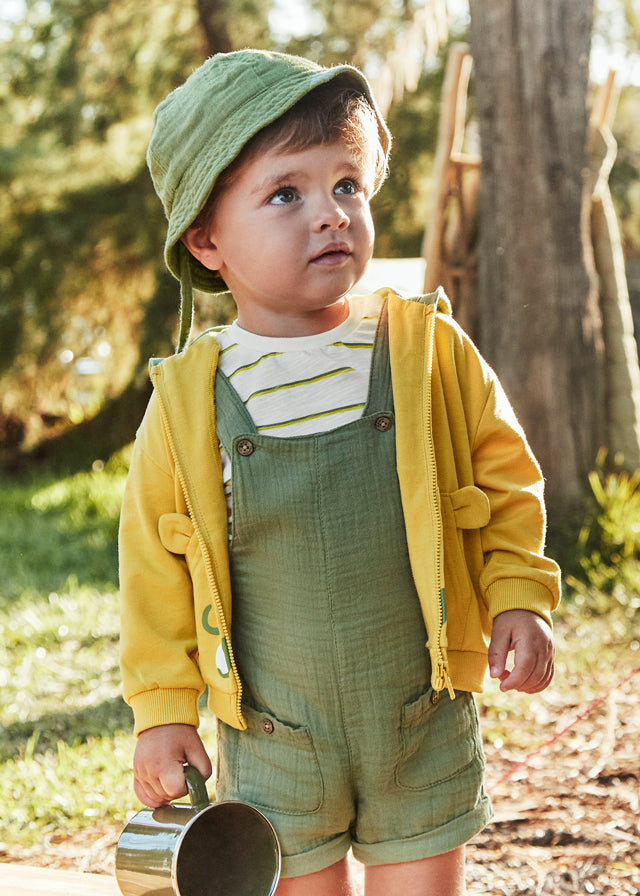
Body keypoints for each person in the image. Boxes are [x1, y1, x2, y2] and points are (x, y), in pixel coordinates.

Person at [119, 49, 561, 896]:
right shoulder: (190, 401)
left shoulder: (423, 350)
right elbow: (153, 570)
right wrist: (163, 711)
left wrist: (518, 595)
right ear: (206, 238)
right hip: (277, 738)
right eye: (286, 193)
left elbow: (507, 481)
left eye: (348, 185)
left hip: (416, 717)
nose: (330, 215)